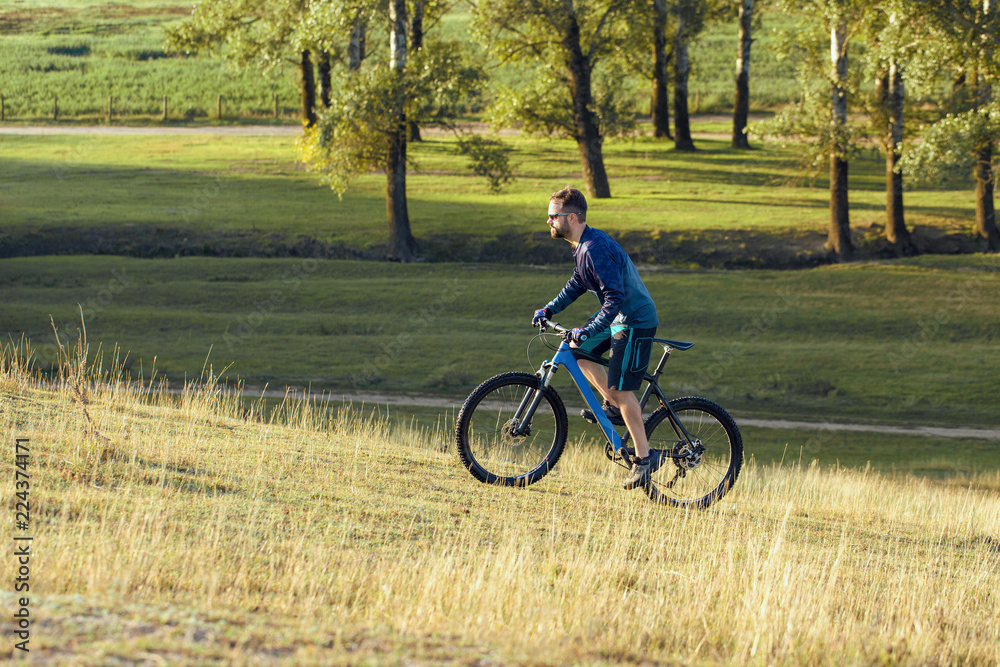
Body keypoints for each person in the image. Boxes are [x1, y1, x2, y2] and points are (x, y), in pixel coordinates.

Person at [531, 185, 659, 490]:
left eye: (553, 216)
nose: (548, 221)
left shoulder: (594, 247)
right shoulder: (581, 246)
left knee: (624, 390)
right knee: (576, 350)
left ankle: (644, 459)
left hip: (635, 321)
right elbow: (577, 284)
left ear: (572, 217)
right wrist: (550, 308)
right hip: (618, 319)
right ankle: (612, 404)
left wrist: (589, 327)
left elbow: (615, 297)